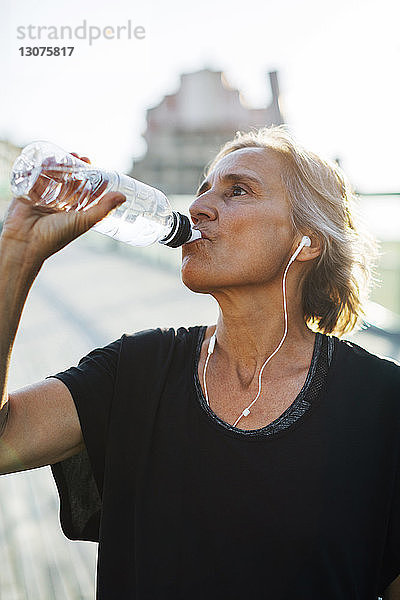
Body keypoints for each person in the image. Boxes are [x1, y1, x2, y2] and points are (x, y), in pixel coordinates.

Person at [0, 126, 399, 600]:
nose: (198, 207)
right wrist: (16, 256)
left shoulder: (382, 402)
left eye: (238, 191)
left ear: (307, 240)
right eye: (204, 189)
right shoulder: (135, 370)